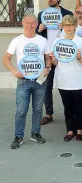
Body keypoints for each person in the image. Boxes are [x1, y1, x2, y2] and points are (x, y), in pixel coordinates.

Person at [3, 14, 51, 149]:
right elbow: (6, 59)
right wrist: (14, 71)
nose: (30, 26)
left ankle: (35, 133)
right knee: (21, 110)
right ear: (22, 24)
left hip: (39, 81)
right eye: (27, 23)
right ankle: (18, 136)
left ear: (36, 24)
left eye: (33, 23)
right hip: (23, 80)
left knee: (37, 109)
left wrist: (47, 68)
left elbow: (48, 57)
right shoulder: (17, 40)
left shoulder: (42, 40)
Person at [36, 0, 73, 125]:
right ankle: (48, 113)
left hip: (63, 55)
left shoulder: (67, 14)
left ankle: (71, 112)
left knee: (68, 84)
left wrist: (63, 28)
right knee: (46, 85)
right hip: (47, 56)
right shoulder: (42, 14)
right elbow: (36, 35)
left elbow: (73, 32)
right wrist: (39, 30)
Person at [50, 15, 82, 142]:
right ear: (63, 26)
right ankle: (69, 130)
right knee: (67, 107)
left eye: (70, 25)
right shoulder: (57, 42)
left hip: (78, 79)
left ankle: (79, 130)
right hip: (63, 79)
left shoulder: (81, 41)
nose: (68, 27)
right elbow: (55, 63)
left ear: (75, 26)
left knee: (77, 106)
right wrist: (53, 59)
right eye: (66, 25)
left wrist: (78, 57)